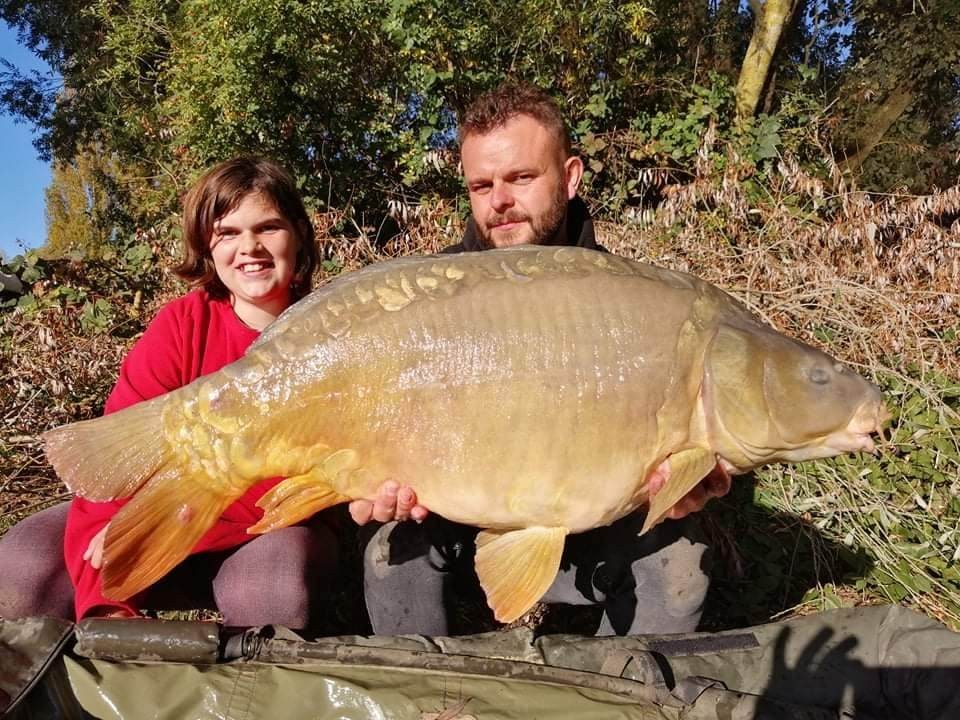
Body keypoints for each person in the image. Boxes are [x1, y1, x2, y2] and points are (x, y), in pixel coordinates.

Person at [362, 81, 732, 637]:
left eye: (521, 177)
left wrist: (683, 484)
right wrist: (368, 478)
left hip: (597, 530)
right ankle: (429, 700)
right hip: (458, 522)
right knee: (388, 551)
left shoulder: (635, 302)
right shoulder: (426, 300)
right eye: (480, 185)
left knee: (681, 558)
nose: (499, 201)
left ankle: (620, 696)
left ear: (571, 175)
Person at [0, 157, 422, 629]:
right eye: (228, 233)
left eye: (268, 228)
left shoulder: (344, 334)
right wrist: (109, 592)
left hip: (268, 531)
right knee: (23, 564)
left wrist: (174, 526)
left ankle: (257, 695)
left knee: (272, 585)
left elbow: (298, 486)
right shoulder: (180, 326)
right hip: (169, 516)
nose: (250, 248)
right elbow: (117, 457)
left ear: (298, 234)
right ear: (206, 244)